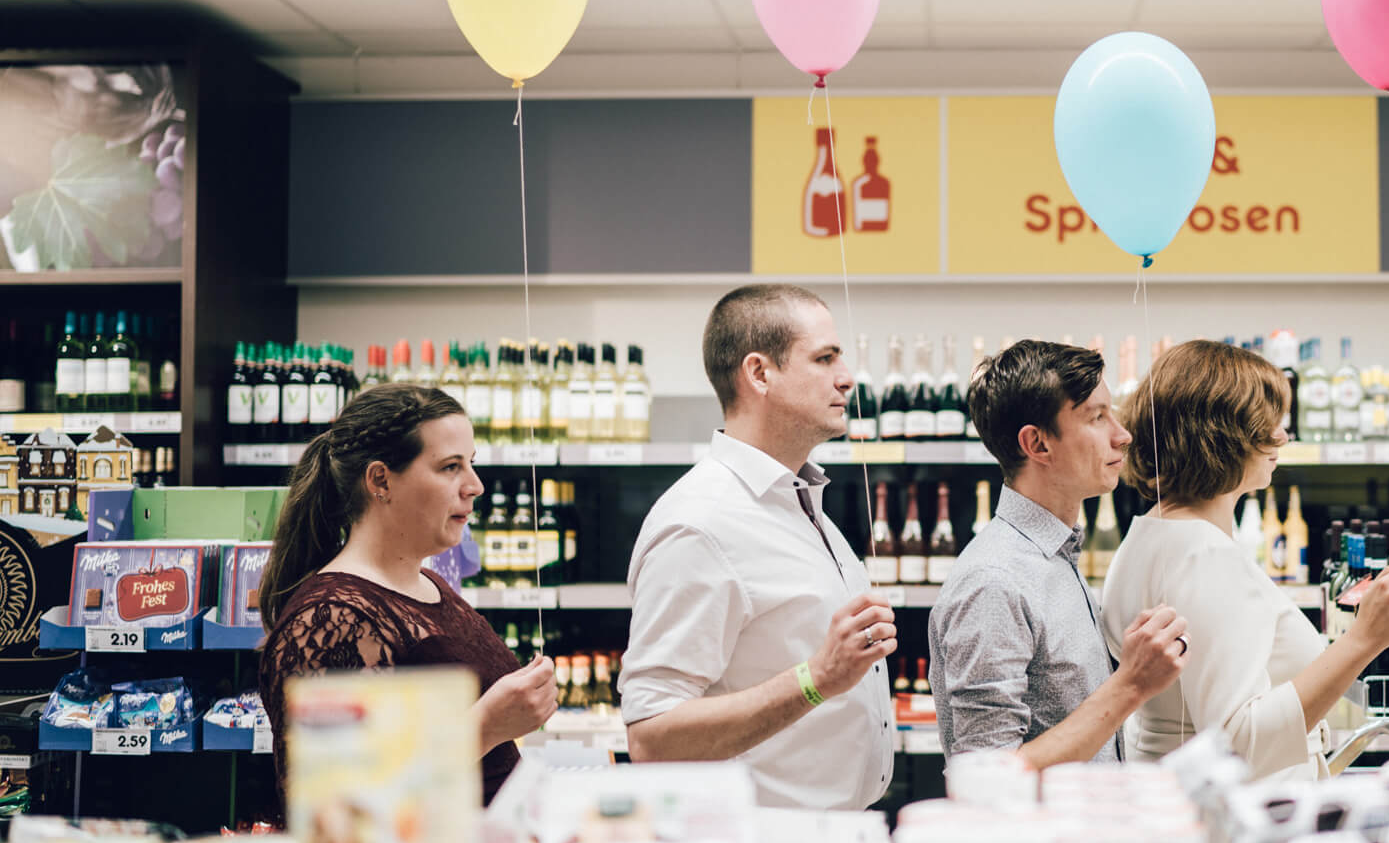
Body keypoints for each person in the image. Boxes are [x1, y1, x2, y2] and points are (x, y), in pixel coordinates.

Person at [619, 285, 896, 810]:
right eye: (825, 358)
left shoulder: (800, 499)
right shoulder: (699, 525)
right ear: (759, 373)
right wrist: (816, 679)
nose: (847, 378)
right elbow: (652, 737)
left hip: (830, 839)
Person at [1100, 340, 1389, 779]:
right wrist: (1364, 639)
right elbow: (1237, 742)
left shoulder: (1146, 536)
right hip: (1233, 818)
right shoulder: (1206, 555)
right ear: (1218, 436)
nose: (1282, 437)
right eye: (1264, 424)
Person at [258, 382, 557, 807]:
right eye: (450, 466)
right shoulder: (329, 618)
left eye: (471, 464)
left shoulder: (427, 585)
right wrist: (486, 726)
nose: (475, 486)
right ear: (380, 480)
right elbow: (336, 802)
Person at [929, 340, 1187, 768]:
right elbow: (987, 778)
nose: (1122, 435)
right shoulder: (994, 582)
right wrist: (1130, 685)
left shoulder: (1055, 555)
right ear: (1038, 445)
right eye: (1097, 417)